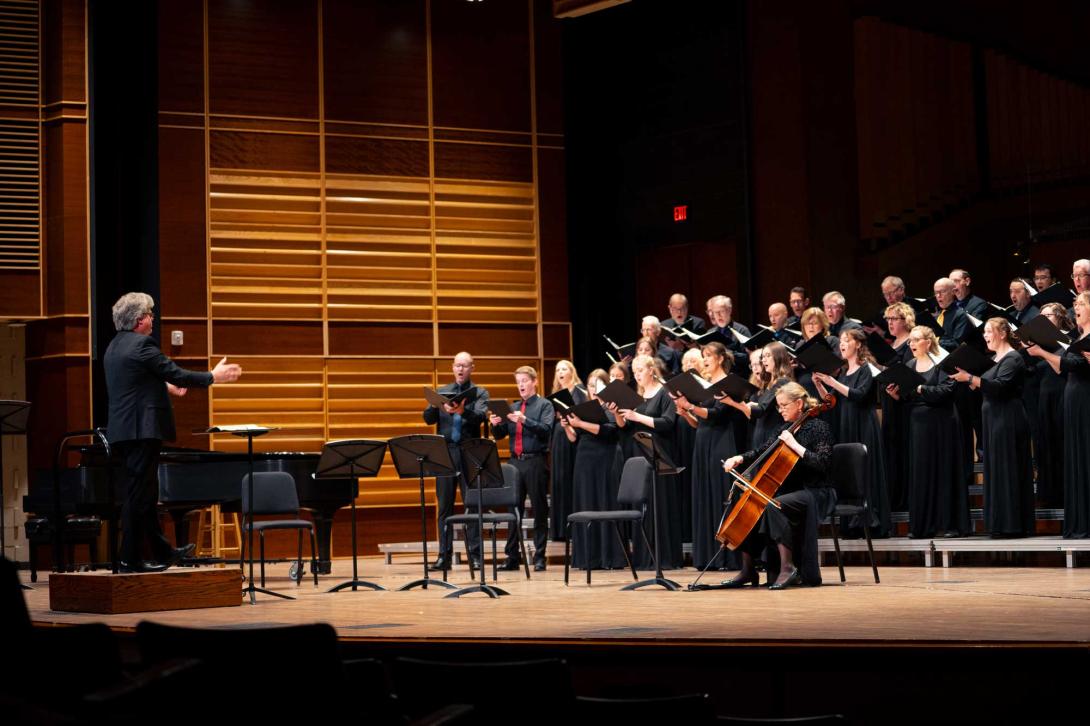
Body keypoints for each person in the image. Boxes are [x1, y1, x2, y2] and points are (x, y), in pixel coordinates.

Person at [104, 292, 242, 572]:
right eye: (150, 315)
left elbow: (134, 380)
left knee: (143, 493)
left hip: (124, 430)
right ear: (140, 320)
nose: (153, 319)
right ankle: (129, 559)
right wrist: (214, 377)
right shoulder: (143, 345)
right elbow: (176, 373)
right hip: (141, 430)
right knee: (138, 496)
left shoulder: (115, 347)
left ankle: (162, 551)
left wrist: (164, 387)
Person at [720, 382, 836, 589]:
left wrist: (794, 445)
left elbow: (822, 463)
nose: (780, 410)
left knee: (774, 505)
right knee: (750, 501)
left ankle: (787, 567)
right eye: (778, 406)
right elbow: (762, 451)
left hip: (815, 491)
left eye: (784, 405)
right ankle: (748, 570)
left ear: (799, 403)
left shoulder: (818, 427)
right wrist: (739, 458)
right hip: (791, 490)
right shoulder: (784, 428)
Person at [950, 319, 1034, 537]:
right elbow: (987, 385)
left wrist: (971, 378)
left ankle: (1013, 524)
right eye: (984, 332)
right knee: (996, 470)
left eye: (989, 331)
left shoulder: (1013, 357)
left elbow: (1000, 387)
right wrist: (972, 381)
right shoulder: (992, 360)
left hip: (1008, 419)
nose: (985, 336)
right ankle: (999, 523)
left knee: (1008, 469)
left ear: (1003, 333)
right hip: (993, 419)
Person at [886, 326, 968, 538]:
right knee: (921, 473)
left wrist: (922, 389)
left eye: (916, 340)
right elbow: (908, 397)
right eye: (910, 340)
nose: (911, 344)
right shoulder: (910, 365)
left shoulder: (942, 363)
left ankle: (949, 525)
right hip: (919, 424)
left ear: (928, 342)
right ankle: (922, 526)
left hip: (942, 423)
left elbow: (946, 391)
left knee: (943, 472)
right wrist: (897, 396)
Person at [813, 328, 891, 537]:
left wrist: (833, 382)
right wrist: (821, 386)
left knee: (865, 470)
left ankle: (871, 522)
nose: (842, 344)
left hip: (864, 424)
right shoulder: (844, 372)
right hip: (847, 424)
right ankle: (853, 524)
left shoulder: (867, 369)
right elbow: (831, 401)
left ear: (858, 344)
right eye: (841, 341)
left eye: (847, 340)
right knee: (850, 473)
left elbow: (859, 395)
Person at [606, 354, 681, 569]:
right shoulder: (635, 396)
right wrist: (618, 414)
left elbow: (668, 422)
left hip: (660, 454)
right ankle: (644, 557)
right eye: (635, 371)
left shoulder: (664, 393)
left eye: (641, 370)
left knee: (660, 504)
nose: (637, 375)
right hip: (639, 454)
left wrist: (638, 417)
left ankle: (664, 558)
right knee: (643, 504)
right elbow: (624, 428)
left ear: (651, 370)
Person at [1026, 291, 1090, 538]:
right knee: (1074, 456)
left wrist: (1042, 353)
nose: (1077, 308)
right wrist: (1040, 352)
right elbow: (1062, 368)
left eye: (1081, 304)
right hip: (1072, 397)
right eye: (1075, 304)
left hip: (1085, 397)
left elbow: (1073, 365)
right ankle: (1078, 521)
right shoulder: (1077, 337)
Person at [673, 342, 738, 570]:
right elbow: (699, 421)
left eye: (709, 355)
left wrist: (691, 406)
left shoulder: (727, 383)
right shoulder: (705, 384)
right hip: (702, 442)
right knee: (703, 494)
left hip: (721, 442)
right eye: (703, 355)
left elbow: (717, 414)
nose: (705, 359)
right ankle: (707, 556)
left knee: (718, 493)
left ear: (720, 358)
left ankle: (726, 556)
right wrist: (685, 412)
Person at [422, 351, 488, 571]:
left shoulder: (479, 393)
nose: (460, 369)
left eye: (465, 366)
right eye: (457, 365)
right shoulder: (442, 391)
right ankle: (444, 556)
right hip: (446, 452)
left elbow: (480, 416)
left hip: (469, 452)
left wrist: (463, 411)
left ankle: (475, 555)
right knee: (444, 506)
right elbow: (428, 419)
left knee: (472, 505)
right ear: (452, 367)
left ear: (472, 368)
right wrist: (435, 405)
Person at [489, 366, 555, 570]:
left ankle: (540, 556)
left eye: (525, 381)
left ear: (534, 381)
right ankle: (512, 557)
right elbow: (501, 435)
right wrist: (495, 424)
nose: (521, 385)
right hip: (515, 462)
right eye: (518, 382)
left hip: (535, 460)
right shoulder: (514, 407)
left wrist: (524, 420)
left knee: (539, 508)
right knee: (512, 509)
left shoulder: (545, 405)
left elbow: (546, 430)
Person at [564, 368, 627, 570]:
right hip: (585, 458)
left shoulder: (611, 407)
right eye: (591, 385)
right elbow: (574, 438)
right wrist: (567, 425)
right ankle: (587, 558)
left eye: (598, 385)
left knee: (605, 502)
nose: (594, 389)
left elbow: (609, 430)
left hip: (606, 457)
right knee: (587, 501)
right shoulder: (583, 407)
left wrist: (580, 423)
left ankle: (610, 556)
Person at [1024, 302, 1070, 508]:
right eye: (1040, 317)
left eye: (1048, 316)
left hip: (1063, 396)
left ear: (1060, 317)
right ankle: (1050, 495)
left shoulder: (1067, 341)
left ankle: (1066, 493)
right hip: (1042, 399)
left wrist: (1041, 352)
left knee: (1062, 445)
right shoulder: (1037, 344)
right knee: (1045, 445)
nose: (1043, 320)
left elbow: (1064, 368)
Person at [720, 342, 794, 450]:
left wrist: (732, 401)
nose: (764, 360)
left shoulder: (782, 382)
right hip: (762, 436)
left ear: (778, 357)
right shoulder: (769, 383)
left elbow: (760, 410)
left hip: (771, 437)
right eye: (763, 357)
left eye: (768, 356)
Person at [880, 302, 915, 512]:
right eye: (888, 319)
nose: (890, 323)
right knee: (891, 450)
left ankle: (904, 499)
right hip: (889, 403)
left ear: (905, 320)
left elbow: (910, 376)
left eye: (894, 319)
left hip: (903, 405)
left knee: (902, 450)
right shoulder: (891, 345)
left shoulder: (911, 343)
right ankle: (894, 498)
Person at [548, 360, 586, 543]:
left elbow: (579, 416)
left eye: (564, 369)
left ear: (572, 372)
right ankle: (559, 528)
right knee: (559, 481)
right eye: (558, 370)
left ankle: (571, 527)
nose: (560, 372)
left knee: (569, 480)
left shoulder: (579, 392)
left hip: (572, 441)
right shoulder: (556, 395)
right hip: (558, 441)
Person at [674, 348, 705, 543]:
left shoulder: (702, 388)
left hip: (696, 438)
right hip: (680, 437)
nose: (689, 367)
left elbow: (700, 421)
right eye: (686, 363)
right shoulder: (679, 387)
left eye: (693, 363)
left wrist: (688, 410)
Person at [932, 277, 968, 351]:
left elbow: (957, 344)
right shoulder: (937, 315)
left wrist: (935, 341)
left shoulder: (961, 315)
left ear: (953, 292)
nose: (938, 296)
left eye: (942, 292)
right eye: (936, 292)